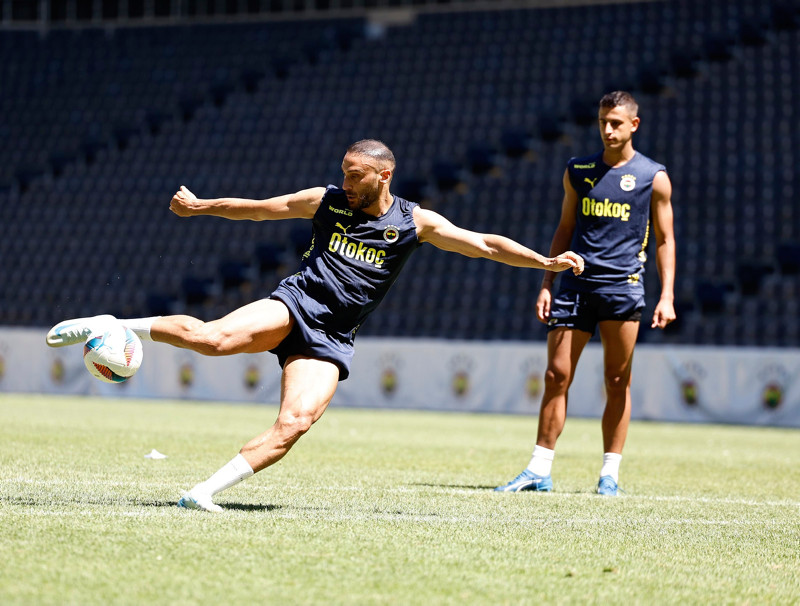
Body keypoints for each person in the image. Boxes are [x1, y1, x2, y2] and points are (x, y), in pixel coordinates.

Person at [47, 139, 584, 512]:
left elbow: (485, 243)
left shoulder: (413, 223)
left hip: (334, 336)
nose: (346, 182)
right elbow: (260, 209)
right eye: (344, 172)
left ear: (383, 175)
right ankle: (113, 322)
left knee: (296, 423)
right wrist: (199, 207)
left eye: (356, 175)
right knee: (213, 338)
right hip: (295, 304)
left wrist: (544, 262)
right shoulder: (326, 201)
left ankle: (202, 492)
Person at [495, 91, 676, 496]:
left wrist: (666, 296)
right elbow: (564, 228)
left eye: (616, 122)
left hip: (623, 288)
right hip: (575, 283)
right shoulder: (577, 170)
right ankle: (539, 469)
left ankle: (609, 474)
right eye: (602, 122)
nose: (608, 129)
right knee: (556, 375)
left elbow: (665, 239)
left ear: (634, 125)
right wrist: (547, 280)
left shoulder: (653, 177)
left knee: (616, 380)